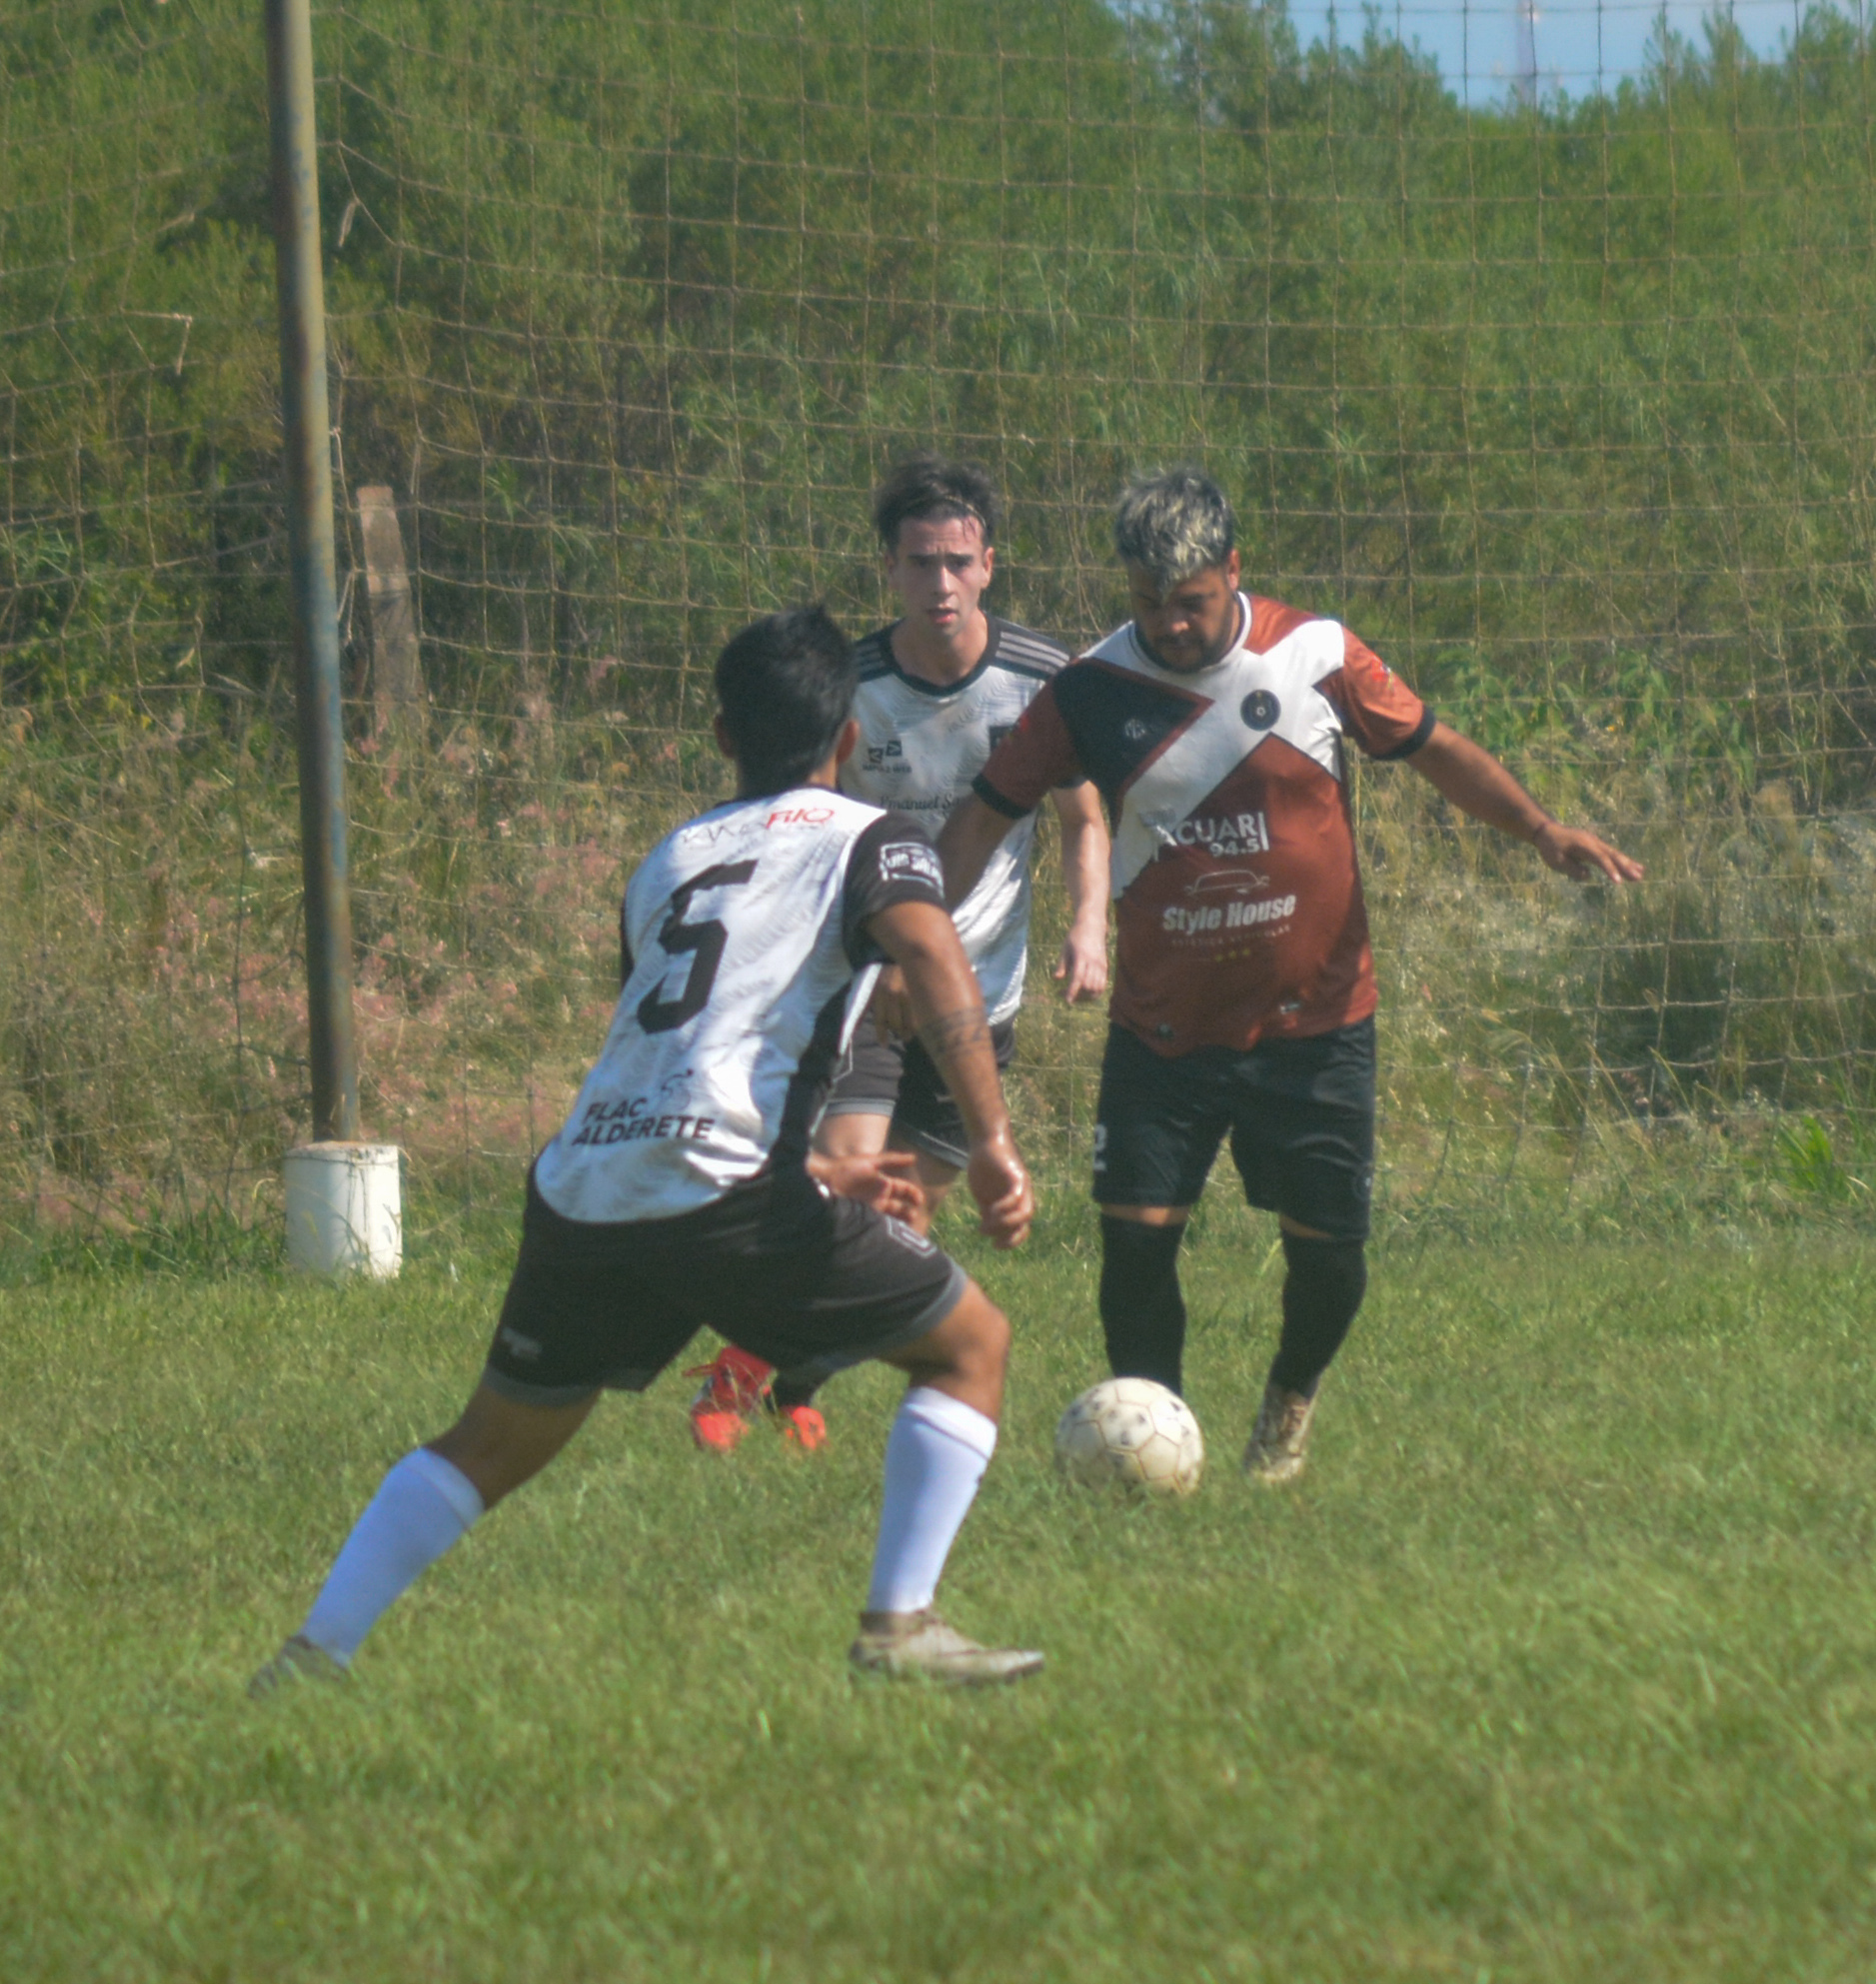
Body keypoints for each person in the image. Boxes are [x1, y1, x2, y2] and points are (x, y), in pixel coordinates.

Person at [251, 608, 1044, 1692]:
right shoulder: (873, 836)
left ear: (721, 736)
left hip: (584, 1184)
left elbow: (673, 1058)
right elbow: (930, 948)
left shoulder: (668, 857)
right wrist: (990, 1138)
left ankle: (311, 1655)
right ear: (849, 736)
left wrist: (818, 1169)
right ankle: (898, 1625)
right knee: (969, 1346)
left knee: (488, 1443)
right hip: (725, 1195)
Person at [938, 469, 1642, 1483]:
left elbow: (1433, 748)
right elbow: (981, 818)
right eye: (1147, 603)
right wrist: (905, 934)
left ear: (1232, 569)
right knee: (1133, 1252)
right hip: (1162, 1033)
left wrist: (1538, 829)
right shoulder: (1087, 691)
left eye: (1190, 601)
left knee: (1329, 1260)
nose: (1170, 624)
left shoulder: (1315, 653)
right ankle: (1157, 1448)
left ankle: (1288, 1401)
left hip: (1316, 1026)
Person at [685, 456, 1109, 1453]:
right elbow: (803, 830)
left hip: (980, 994)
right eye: (920, 563)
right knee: (845, 1173)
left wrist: (1089, 925)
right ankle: (733, 1378)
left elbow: (1084, 818)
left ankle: (793, 1383)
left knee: (898, 1220)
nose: (940, 583)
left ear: (989, 563)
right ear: (890, 569)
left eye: (958, 561)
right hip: (866, 982)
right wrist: (859, 957)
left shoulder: (1042, 678)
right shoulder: (857, 686)